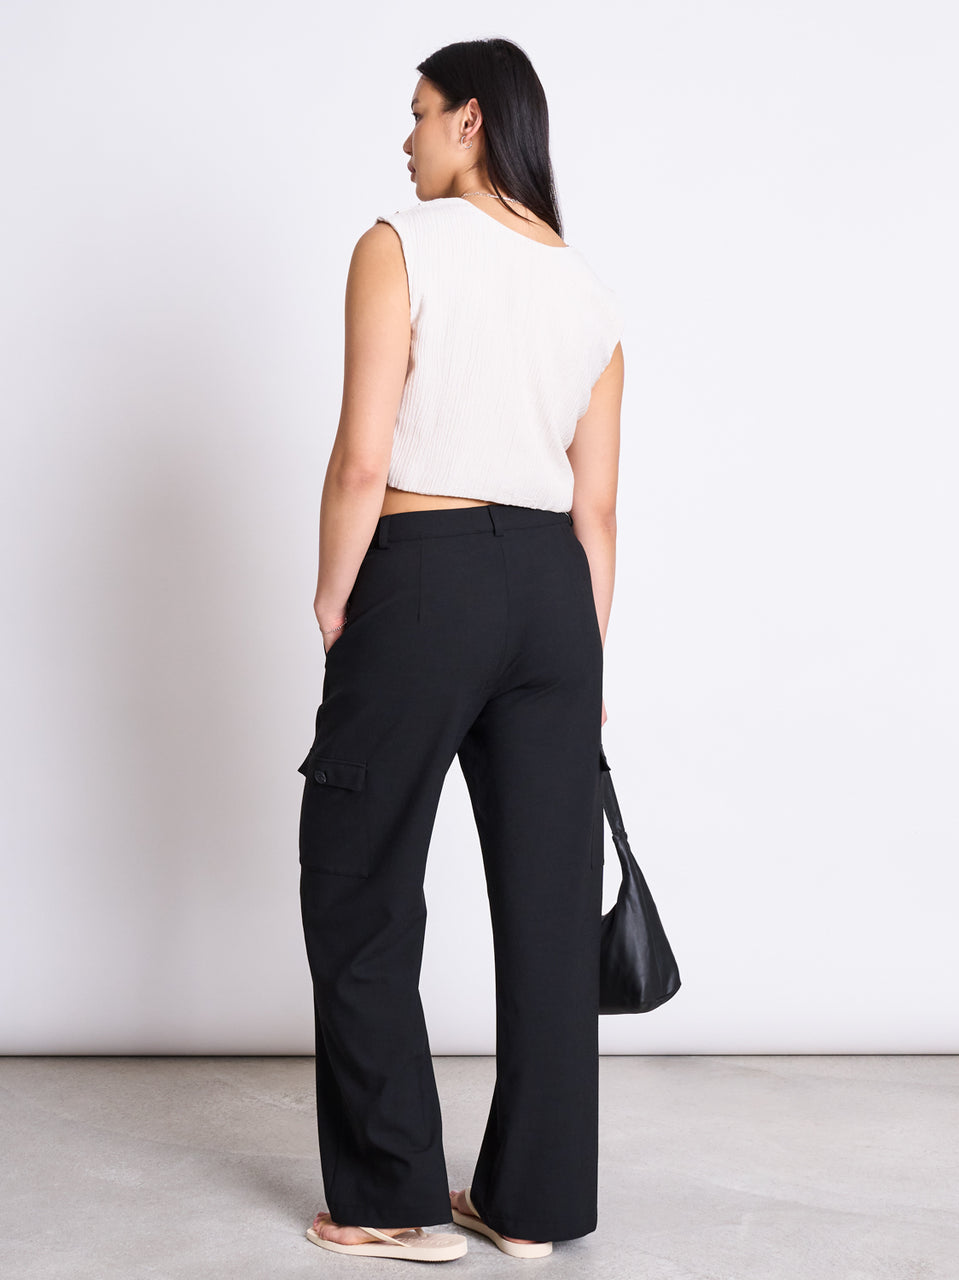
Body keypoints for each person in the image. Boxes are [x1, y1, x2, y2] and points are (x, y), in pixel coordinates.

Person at [299, 36, 624, 1264]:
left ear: (471, 122)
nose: (407, 138)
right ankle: (532, 1208)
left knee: (358, 870)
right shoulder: (588, 291)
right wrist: (585, 665)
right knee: (547, 905)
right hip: (554, 596)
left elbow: (362, 457)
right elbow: (596, 512)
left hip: (423, 571)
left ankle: (393, 1194)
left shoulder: (399, 243)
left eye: (420, 113)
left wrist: (337, 597)